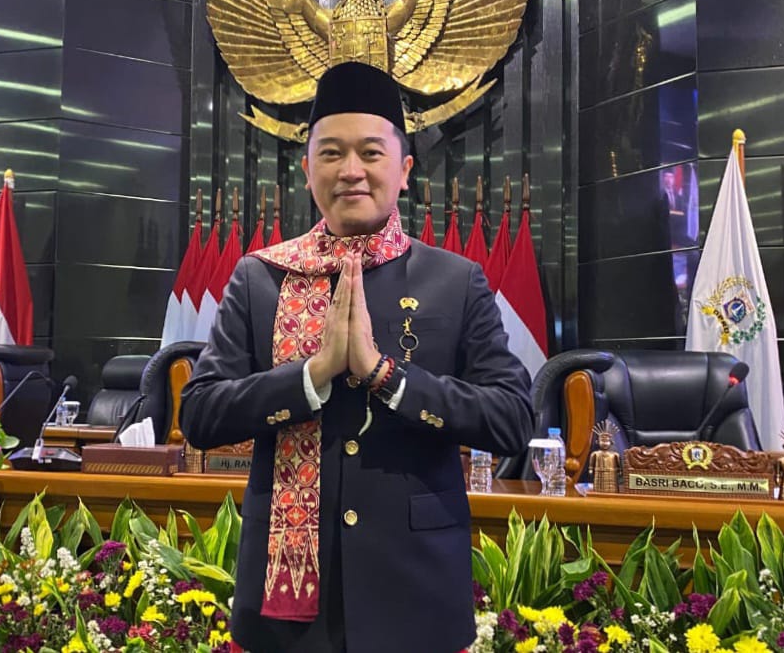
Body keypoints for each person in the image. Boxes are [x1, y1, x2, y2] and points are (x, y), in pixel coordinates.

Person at [181, 61, 534, 653]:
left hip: (415, 595)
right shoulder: (261, 277)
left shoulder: (456, 280)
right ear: (307, 170)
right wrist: (311, 375)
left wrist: (384, 375)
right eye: (331, 153)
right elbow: (200, 415)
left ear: (404, 171)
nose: (351, 170)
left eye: (371, 153)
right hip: (286, 612)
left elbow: (511, 419)